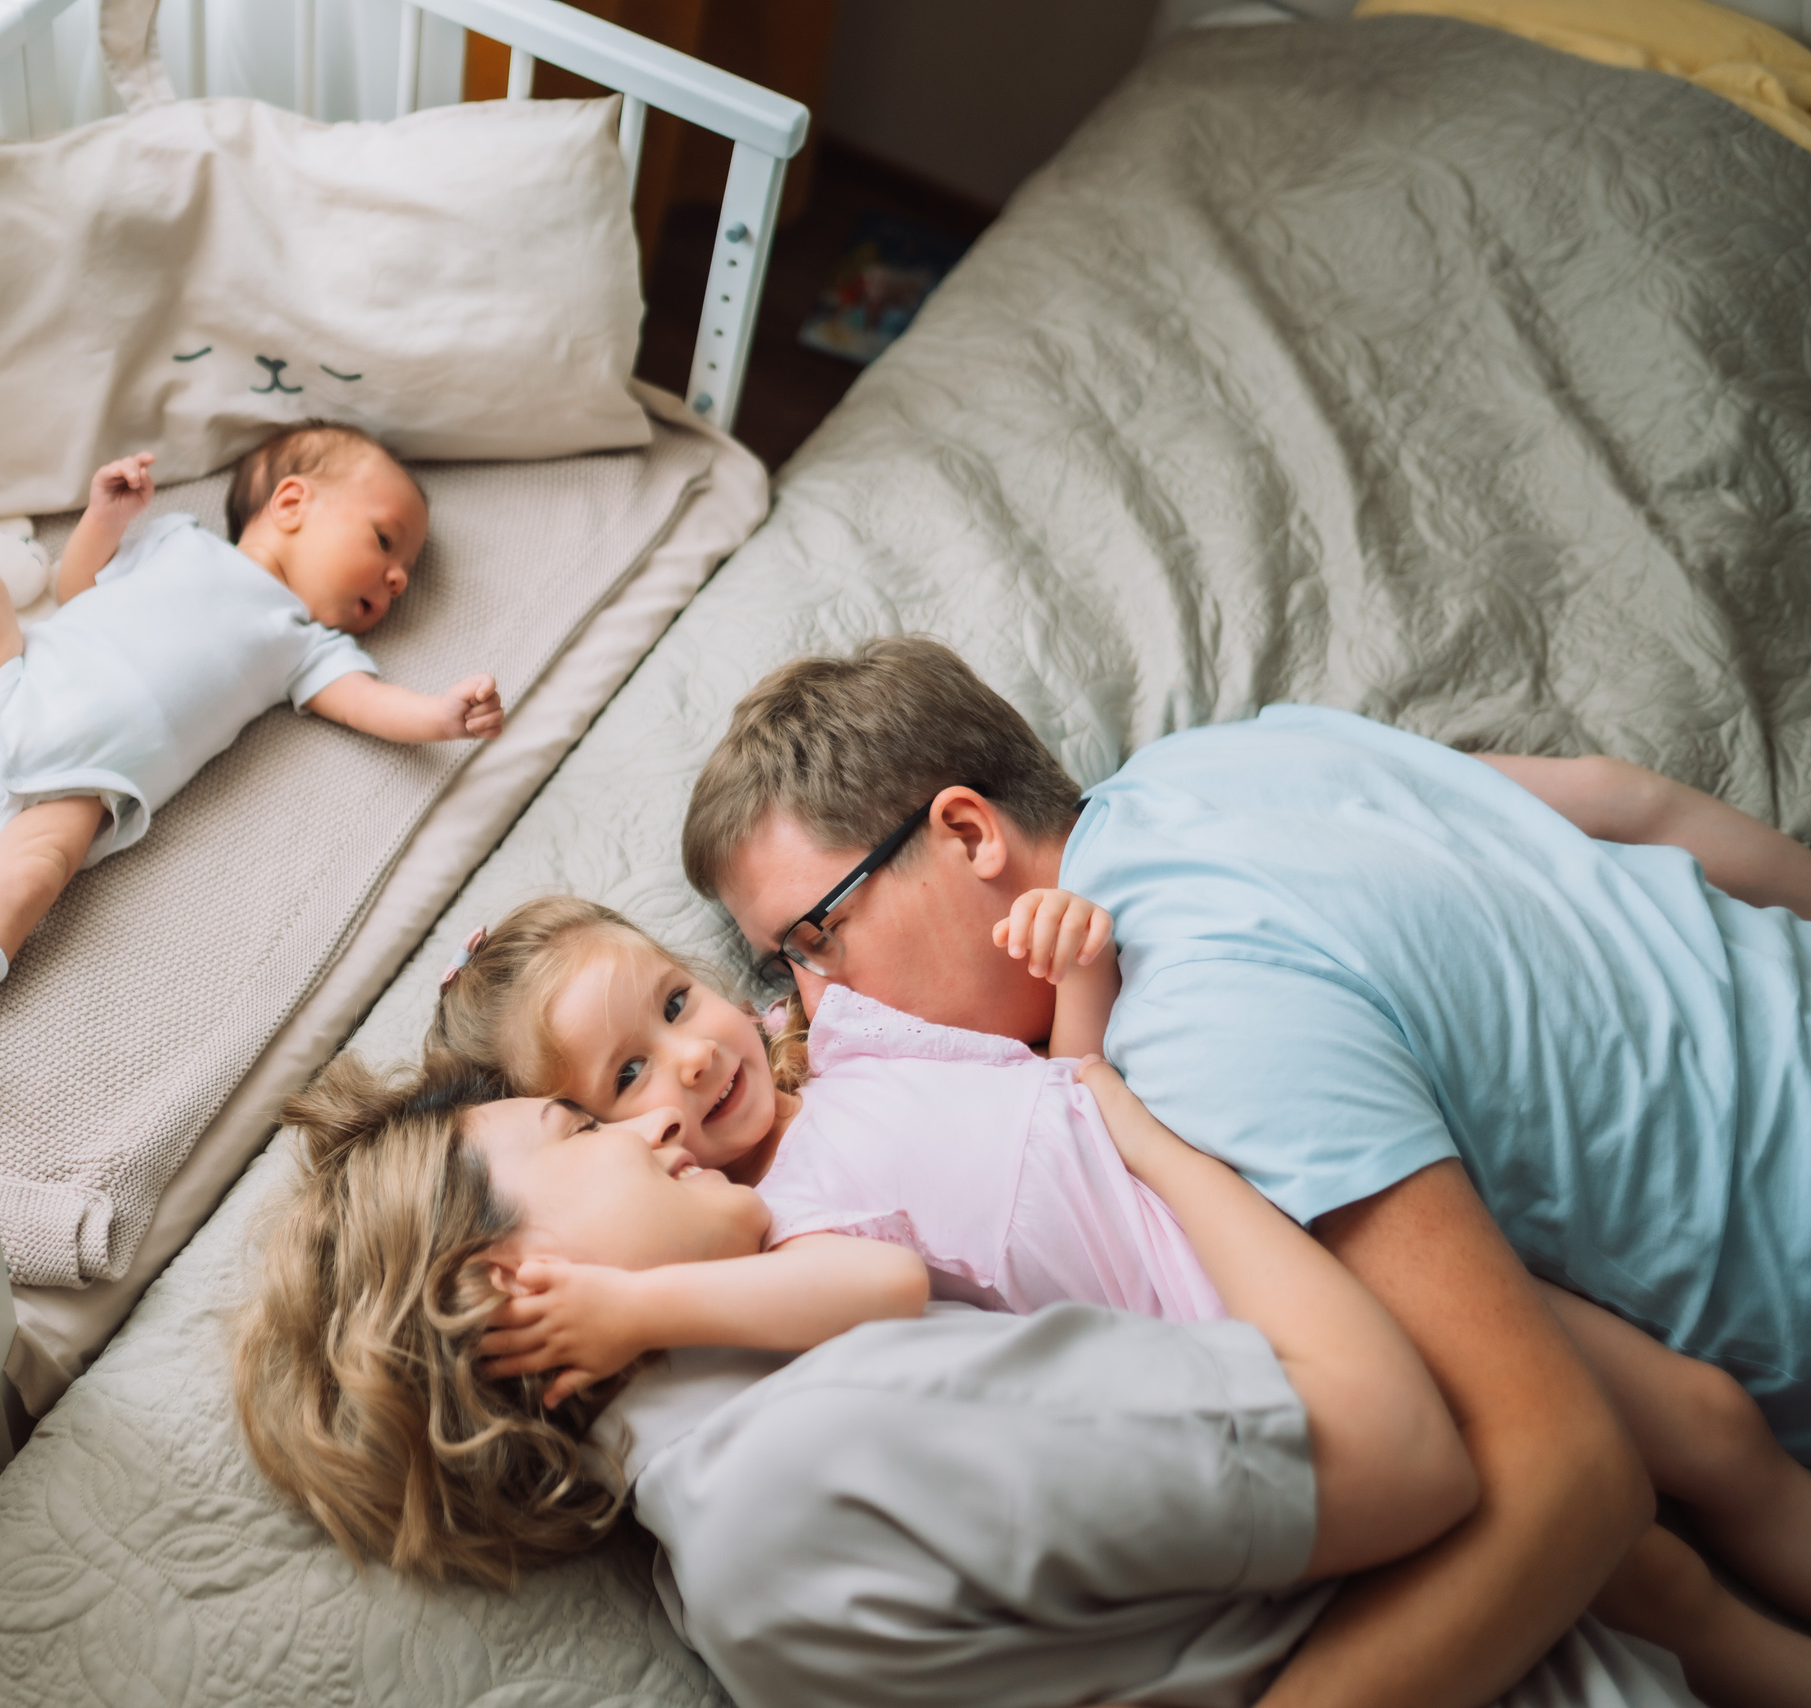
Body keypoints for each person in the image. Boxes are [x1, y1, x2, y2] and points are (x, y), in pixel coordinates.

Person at [683, 635, 1811, 1705]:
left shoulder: (1192, 1036)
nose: (816, 1008)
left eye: (816, 937)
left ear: (968, 832)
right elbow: (1631, 802)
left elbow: (1569, 1474)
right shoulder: (1218, 756)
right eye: (781, 969)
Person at [434, 892, 1811, 1707]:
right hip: (1236, 1317)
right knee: (1632, 1565)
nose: (683, 1068)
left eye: (676, 1003)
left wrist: (1077, 979)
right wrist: (645, 1307)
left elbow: (1062, 1096)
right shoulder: (776, 1229)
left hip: (1276, 1210)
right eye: (620, 1083)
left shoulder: (843, 1041)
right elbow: (892, 1282)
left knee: (1697, 1418)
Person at [227, 1052, 1681, 1706]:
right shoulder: (837, 1432)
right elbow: (1407, 1446)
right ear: (504, 1284)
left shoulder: (719, 1573)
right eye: (577, 1126)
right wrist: (1154, 1142)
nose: (653, 1122)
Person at [0, 421, 505, 1034]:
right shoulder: (179, 539)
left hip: (54, 798)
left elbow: (365, 702)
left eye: (404, 573)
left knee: (41, 876)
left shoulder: (304, 641)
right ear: (292, 503)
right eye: (385, 542)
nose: (397, 580)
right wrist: (104, 519)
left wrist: (440, 715)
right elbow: (76, 589)